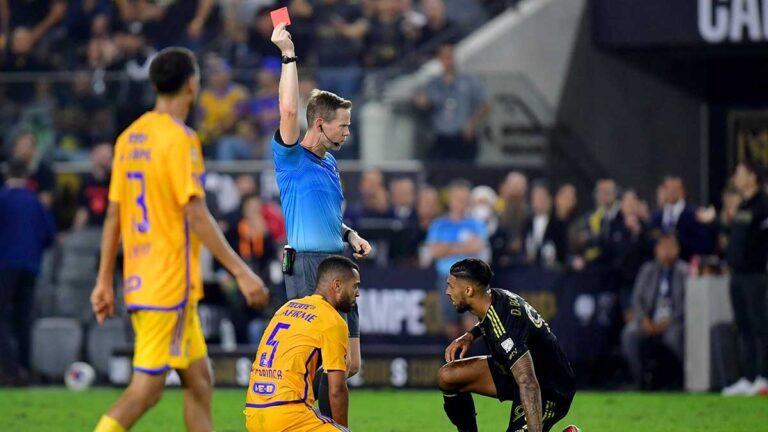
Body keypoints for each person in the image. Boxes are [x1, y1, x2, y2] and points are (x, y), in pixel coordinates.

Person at [90, 47, 269, 432]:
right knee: (146, 392)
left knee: (199, 382)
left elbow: (114, 215)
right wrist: (241, 272)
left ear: (155, 84)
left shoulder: (129, 138)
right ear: (192, 84)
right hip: (167, 283)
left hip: (147, 280)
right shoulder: (181, 140)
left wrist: (106, 279)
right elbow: (195, 214)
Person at [269, 23, 372, 418]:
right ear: (319, 124)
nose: (348, 131)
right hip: (308, 264)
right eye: (342, 124)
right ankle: (310, 423)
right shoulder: (291, 157)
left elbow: (331, 216)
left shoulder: (330, 163)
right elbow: (289, 108)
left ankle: (315, 420)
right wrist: (288, 54)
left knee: (350, 363)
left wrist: (351, 234)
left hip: (337, 261)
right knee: (321, 361)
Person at [439, 258, 578, 432]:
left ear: (468, 290)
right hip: (514, 373)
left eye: (451, 286)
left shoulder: (505, 327)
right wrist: (470, 335)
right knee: (448, 376)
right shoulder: (493, 298)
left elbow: (528, 381)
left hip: (548, 388)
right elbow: (493, 322)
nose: (447, 291)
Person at [244, 255, 360, 432]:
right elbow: (336, 390)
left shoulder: (286, 308)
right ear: (337, 285)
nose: (357, 293)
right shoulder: (332, 321)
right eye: (355, 286)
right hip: (287, 417)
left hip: (254, 415)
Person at [0, 159, 56, 386]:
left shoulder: (2, 199)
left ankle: (9, 369)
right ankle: (24, 368)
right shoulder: (35, 201)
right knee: (23, 320)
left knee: (1, 318)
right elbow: (49, 235)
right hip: (31, 267)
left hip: (4, 265)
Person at [721, 162, 768, 396]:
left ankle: (764, 377)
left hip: (755, 275)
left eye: (740, 173)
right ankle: (748, 378)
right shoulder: (743, 206)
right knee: (744, 328)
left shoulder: (763, 205)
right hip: (737, 274)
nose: (736, 178)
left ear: (753, 177)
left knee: (761, 327)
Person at [621, 234, 686, 390]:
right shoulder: (647, 270)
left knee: (675, 337)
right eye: (663, 247)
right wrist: (644, 320)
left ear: (678, 250)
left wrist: (667, 323)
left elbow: (686, 305)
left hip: (674, 322)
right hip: (648, 320)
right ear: (656, 250)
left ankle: (677, 381)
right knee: (630, 334)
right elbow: (637, 299)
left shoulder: (684, 271)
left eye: (670, 247)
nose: (666, 252)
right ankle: (640, 380)